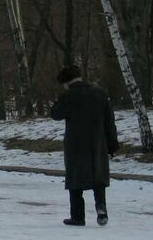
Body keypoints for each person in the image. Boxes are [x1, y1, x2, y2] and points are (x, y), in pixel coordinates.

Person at [49, 65, 119, 226]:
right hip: (98, 142)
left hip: (75, 143)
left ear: (66, 82)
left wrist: (58, 100)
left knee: (75, 180)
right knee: (98, 177)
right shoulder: (100, 94)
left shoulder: (68, 96)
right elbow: (109, 122)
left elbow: (55, 114)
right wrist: (112, 144)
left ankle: (77, 217)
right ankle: (101, 209)